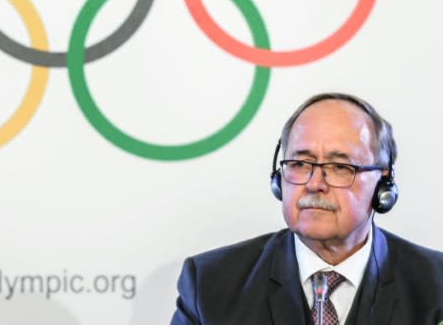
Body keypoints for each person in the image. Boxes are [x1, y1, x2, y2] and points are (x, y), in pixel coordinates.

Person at [169, 92, 443, 325]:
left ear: (382, 183)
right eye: (300, 164)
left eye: (339, 167)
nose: (314, 184)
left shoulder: (436, 286)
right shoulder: (209, 284)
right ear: (279, 178)